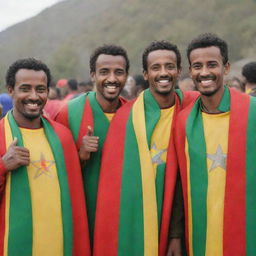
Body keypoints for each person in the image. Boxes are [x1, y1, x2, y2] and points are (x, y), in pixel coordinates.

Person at [94, 40, 198, 256]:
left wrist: (175, 234)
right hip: (141, 224)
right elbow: (117, 191)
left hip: (187, 223)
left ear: (179, 70)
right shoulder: (126, 119)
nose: (163, 73)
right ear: (146, 73)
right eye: (155, 67)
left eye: (169, 66)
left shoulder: (192, 108)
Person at [175, 33, 256, 256]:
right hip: (201, 238)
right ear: (190, 71)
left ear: (226, 67)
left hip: (247, 235)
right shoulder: (183, 121)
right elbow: (179, 184)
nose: (204, 72)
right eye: (197, 66)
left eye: (212, 64)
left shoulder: (253, 112)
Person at [0, 58, 90, 255]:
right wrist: (3, 166)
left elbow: (75, 198)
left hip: (59, 246)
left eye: (40, 89)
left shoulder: (63, 136)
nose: (34, 96)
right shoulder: (0, 134)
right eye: (25, 88)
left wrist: (81, 157)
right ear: (10, 90)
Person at [55, 44, 129, 247]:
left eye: (119, 72)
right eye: (104, 72)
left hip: (124, 220)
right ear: (93, 75)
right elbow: (55, 174)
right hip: (84, 218)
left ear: (126, 76)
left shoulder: (135, 115)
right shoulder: (68, 113)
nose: (112, 79)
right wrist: (80, 155)